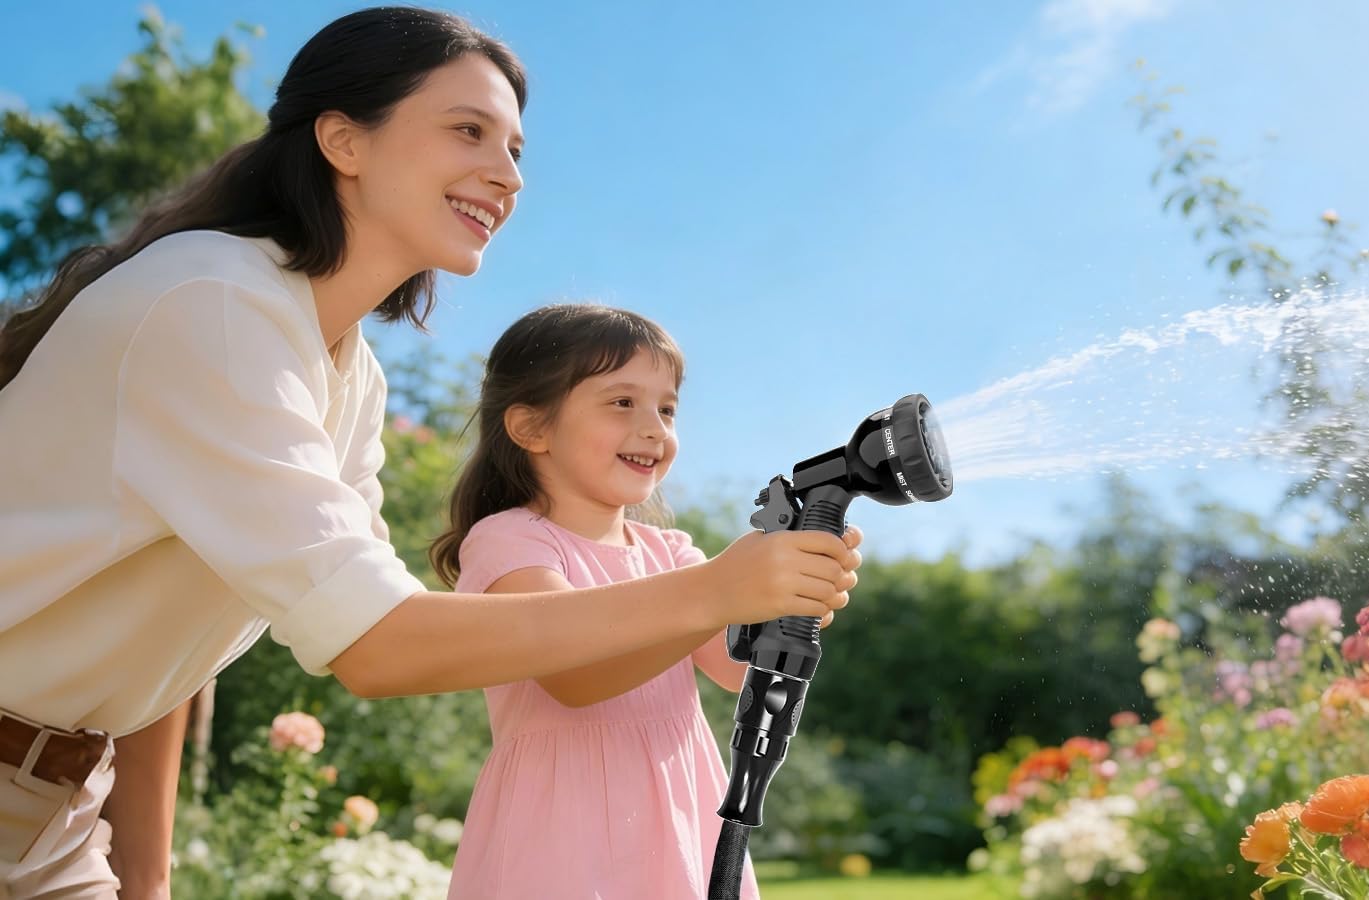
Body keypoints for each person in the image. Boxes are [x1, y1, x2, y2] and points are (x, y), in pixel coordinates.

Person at [0, 8, 860, 899]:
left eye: (517, 148)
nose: (508, 174)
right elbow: (377, 645)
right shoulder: (210, 307)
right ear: (343, 139)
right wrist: (719, 588)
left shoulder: (346, 374)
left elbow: (167, 638)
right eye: (468, 131)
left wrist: (145, 881)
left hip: (57, 811)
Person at [436, 304, 771, 899]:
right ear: (531, 428)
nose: (655, 428)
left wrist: (790, 599)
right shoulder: (510, 541)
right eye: (623, 402)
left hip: (675, 812)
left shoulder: (670, 552)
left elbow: (737, 667)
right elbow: (577, 677)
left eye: (666, 408)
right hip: (563, 829)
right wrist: (719, 592)